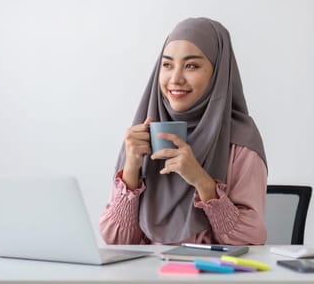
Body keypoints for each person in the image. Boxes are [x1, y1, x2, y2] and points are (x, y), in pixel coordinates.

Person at [99, 17, 268, 245]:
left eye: (191, 66)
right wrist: (131, 169)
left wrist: (201, 180)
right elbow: (117, 240)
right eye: (167, 65)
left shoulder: (240, 140)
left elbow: (249, 240)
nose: (175, 79)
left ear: (217, 73)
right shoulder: (142, 136)